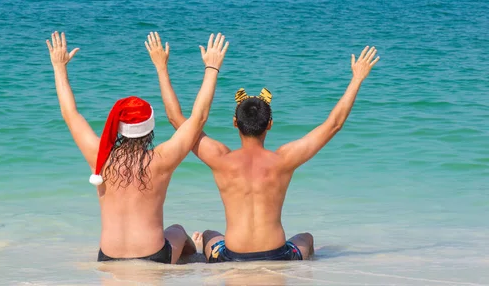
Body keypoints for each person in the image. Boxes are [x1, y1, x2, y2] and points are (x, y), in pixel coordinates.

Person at [146, 33, 379, 262]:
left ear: (235, 123)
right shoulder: (284, 160)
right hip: (278, 254)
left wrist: (161, 67)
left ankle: (203, 249)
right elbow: (334, 125)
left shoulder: (219, 158)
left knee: (208, 235)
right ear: (270, 124)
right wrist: (357, 78)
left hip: (232, 255)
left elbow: (177, 119)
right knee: (305, 238)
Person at [46, 31, 229, 264]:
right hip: (155, 256)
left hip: (108, 256)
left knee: (175, 233)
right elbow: (198, 117)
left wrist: (59, 66)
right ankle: (196, 259)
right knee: (179, 231)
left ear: (119, 128)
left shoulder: (100, 157)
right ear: (150, 129)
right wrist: (207, 68)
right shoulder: (161, 159)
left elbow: (70, 114)